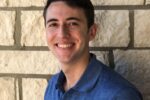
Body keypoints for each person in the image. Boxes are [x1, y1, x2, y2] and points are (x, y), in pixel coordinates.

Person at [43, 0, 143, 100]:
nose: (62, 34)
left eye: (72, 23)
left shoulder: (120, 95)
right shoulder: (53, 86)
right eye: (53, 24)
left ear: (92, 32)